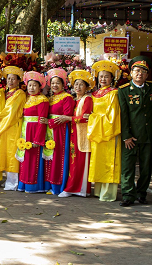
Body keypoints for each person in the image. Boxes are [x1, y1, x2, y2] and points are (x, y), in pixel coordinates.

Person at [117, 56, 152, 207]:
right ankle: (128, 194)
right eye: (137, 71)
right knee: (128, 167)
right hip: (130, 136)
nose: (140, 74)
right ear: (131, 73)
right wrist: (126, 136)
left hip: (147, 135)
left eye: (143, 71)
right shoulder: (124, 90)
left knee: (146, 168)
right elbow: (123, 114)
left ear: (147, 75)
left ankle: (142, 193)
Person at [87, 60, 122, 202]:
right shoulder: (95, 94)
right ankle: (99, 190)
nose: (103, 79)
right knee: (98, 161)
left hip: (108, 132)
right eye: (101, 76)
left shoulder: (114, 93)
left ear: (112, 78)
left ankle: (108, 193)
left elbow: (112, 116)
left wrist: (92, 118)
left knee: (109, 162)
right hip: (96, 132)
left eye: (106, 76)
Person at [60, 70, 94, 198]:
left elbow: (85, 118)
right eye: (76, 84)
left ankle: (77, 188)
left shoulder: (87, 99)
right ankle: (74, 187)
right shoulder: (75, 100)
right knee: (73, 162)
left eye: (81, 84)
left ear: (86, 87)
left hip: (82, 135)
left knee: (79, 162)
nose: (77, 87)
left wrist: (68, 118)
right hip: (74, 134)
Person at [16, 71, 50, 193]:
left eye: (34, 85)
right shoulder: (27, 98)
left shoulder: (42, 100)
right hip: (26, 130)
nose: (31, 88)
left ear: (40, 86)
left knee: (34, 159)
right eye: (29, 85)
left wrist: (38, 139)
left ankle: (34, 186)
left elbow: (42, 120)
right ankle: (24, 183)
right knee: (25, 158)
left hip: (35, 131)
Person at [0, 65, 26, 190]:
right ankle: (8, 178)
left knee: (12, 153)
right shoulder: (5, 93)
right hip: (4, 125)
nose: (11, 81)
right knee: (3, 152)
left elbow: (11, 111)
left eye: (13, 79)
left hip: (12, 125)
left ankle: (13, 182)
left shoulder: (19, 93)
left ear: (18, 81)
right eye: (8, 79)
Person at [45, 68, 75, 196]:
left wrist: (50, 123)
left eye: (57, 83)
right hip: (50, 130)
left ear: (63, 84)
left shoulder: (67, 97)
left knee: (59, 157)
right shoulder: (51, 98)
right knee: (49, 157)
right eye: (52, 83)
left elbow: (67, 116)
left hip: (60, 131)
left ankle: (58, 186)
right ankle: (50, 184)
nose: (55, 85)